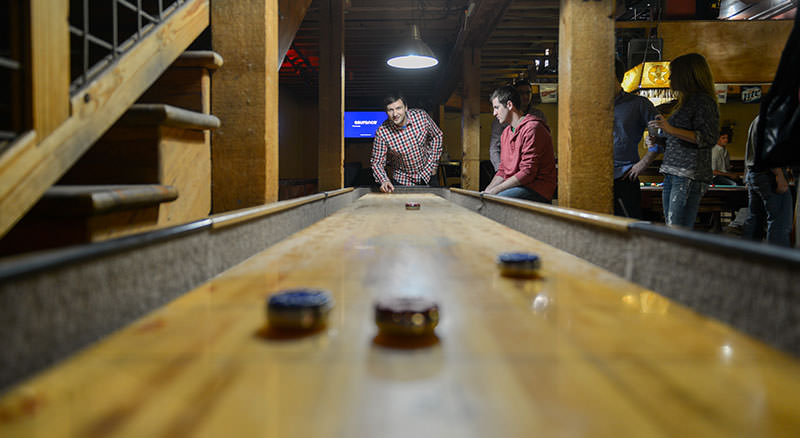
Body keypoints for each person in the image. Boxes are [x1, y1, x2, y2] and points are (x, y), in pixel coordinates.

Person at [646, 53, 719, 229]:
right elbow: (681, 140)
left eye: (673, 73)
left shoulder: (703, 101)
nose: (669, 77)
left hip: (688, 174)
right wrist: (659, 141)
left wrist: (670, 130)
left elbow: (708, 137)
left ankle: (680, 258)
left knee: (677, 232)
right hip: (674, 172)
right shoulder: (684, 102)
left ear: (687, 75)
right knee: (674, 231)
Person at [483, 86, 556, 202]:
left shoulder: (533, 128)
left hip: (537, 188)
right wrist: (487, 190)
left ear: (509, 105)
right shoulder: (506, 133)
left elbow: (527, 172)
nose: (494, 113)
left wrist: (496, 190)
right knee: (486, 197)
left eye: (496, 108)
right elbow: (502, 170)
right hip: (519, 185)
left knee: (497, 200)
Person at [613, 58, 659, 218]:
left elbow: (662, 135)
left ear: (616, 77)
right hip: (592, 178)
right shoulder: (589, 104)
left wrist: (644, 163)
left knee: (627, 231)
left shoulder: (639, 104)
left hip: (625, 179)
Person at [371, 92, 443, 193]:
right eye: (390, 110)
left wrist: (433, 164)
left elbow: (437, 135)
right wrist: (384, 180)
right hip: (402, 179)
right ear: (386, 112)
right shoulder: (382, 132)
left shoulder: (421, 116)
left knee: (434, 207)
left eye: (398, 108)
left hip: (428, 173)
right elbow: (377, 162)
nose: (395, 114)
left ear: (406, 108)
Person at [741, 115, 793, 247]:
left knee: (755, 220)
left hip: (754, 174)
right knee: (779, 222)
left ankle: (747, 257)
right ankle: (776, 263)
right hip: (769, 175)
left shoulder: (758, 118)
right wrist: (779, 175)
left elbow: (750, 150)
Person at [489, 80, 547, 172]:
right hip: (510, 170)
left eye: (528, 93)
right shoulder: (504, 127)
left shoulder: (536, 119)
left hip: (532, 172)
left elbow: (529, 168)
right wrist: (500, 171)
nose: (525, 96)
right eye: (521, 93)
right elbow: (494, 148)